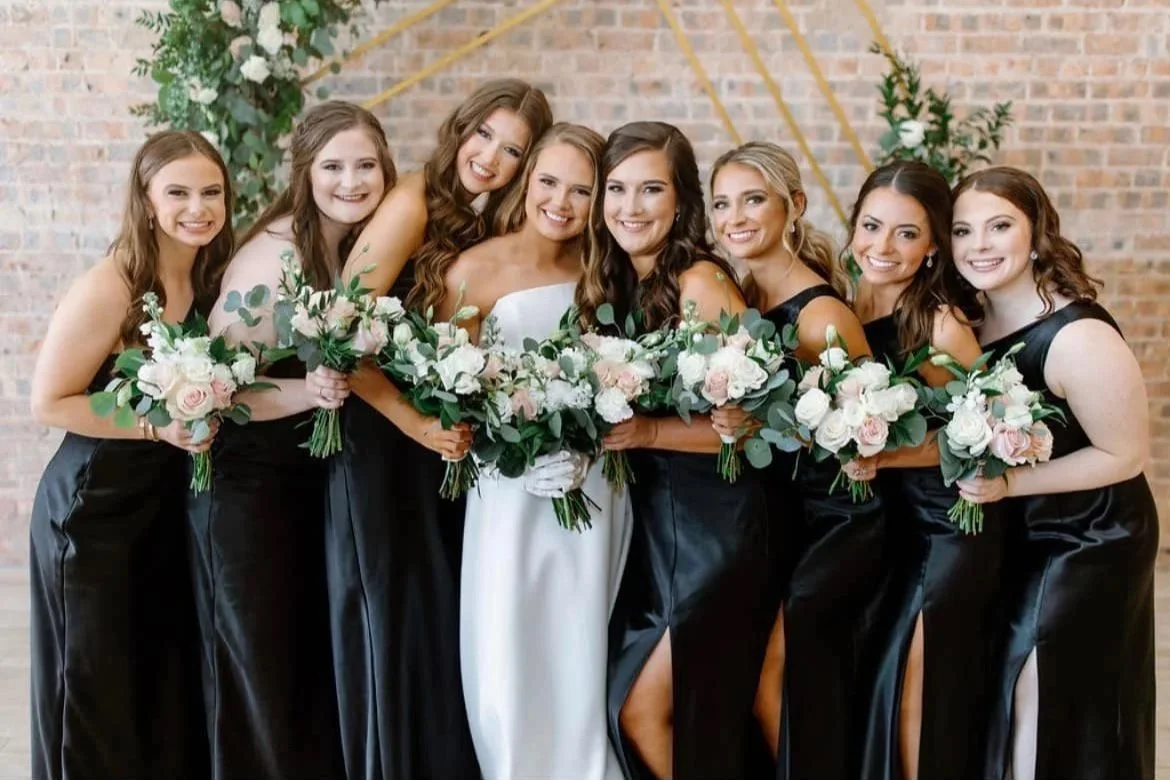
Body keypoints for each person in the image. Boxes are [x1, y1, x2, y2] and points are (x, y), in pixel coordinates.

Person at [325, 78, 553, 779]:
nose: (489, 156)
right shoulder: (413, 199)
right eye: (484, 134)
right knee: (393, 617)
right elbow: (337, 337)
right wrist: (415, 422)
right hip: (381, 438)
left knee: (436, 617)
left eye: (512, 149)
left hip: (439, 448)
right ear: (460, 126)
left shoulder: (485, 224)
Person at [189, 101, 393, 780]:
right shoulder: (274, 257)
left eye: (366, 165)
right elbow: (210, 391)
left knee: (301, 667)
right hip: (244, 489)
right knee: (260, 669)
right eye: (332, 166)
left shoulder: (352, 247)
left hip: (304, 484)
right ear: (305, 174)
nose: (351, 181)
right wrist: (310, 391)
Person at [29, 130, 231, 780]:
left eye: (211, 192)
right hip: (91, 513)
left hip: (157, 507)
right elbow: (51, 401)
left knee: (148, 683)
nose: (196, 207)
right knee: (89, 689)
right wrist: (157, 427)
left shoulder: (202, 271)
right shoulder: (113, 284)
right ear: (145, 200)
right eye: (178, 192)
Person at [580, 121, 773, 780]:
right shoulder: (615, 283)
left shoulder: (699, 282)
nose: (631, 207)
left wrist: (648, 432)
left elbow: (746, 427)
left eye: (651, 189)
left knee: (643, 707)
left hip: (713, 523)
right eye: (617, 188)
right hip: (654, 523)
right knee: (660, 709)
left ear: (681, 200)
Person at [951, 166, 1157, 780]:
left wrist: (1008, 485)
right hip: (1019, 535)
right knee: (1010, 686)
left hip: (1090, 538)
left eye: (999, 226)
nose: (979, 244)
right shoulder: (971, 322)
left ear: (1037, 233)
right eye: (963, 230)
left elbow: (1124, 456)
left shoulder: (1078, 335)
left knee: (1037, 687)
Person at [448, 121, 633, 780]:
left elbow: (626, 374)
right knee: (508, 644)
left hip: (589, 483)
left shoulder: (605, 270)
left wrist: (587, 449)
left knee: (578, 645)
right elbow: (448, 383)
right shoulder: (475, 267)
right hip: (504, 487)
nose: (560, 200)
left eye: (581, 190)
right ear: (526, 182)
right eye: (548, 181)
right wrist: (500, 445)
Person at [708, 141, 884, 780]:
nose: (736, 217)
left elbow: (869, 435)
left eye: (753, 199)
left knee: (777, 683)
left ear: (794, 206)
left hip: (837, 521)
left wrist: (766, 422)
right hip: (780, 520)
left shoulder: (822, 316)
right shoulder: (740, 300)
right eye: (722, 203)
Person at [845, 161, 1001, 780]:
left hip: (947, 528)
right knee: (877, 682)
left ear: (935, 243)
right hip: (886, 527)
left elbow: (982, 439)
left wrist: (883, 454)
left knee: (913, 690)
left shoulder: (939, 325)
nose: (882, 248)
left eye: (907, 234)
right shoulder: (843, 300)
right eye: (871, 226)